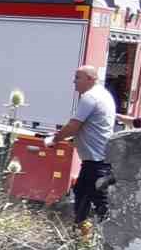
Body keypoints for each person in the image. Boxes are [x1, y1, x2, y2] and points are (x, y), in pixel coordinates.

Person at [48, 64, 117, 225]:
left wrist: (54, 139)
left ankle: (103, 240)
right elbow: (91, 127)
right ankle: (81, 235)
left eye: (78, 77)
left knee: (99, 202)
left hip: (96, 162)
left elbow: (73, 126)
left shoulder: (90, 97)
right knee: (82, 194)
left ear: (90, 79)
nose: (74, 81)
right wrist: (76, 140)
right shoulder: (103, 95)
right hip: (97, 160)